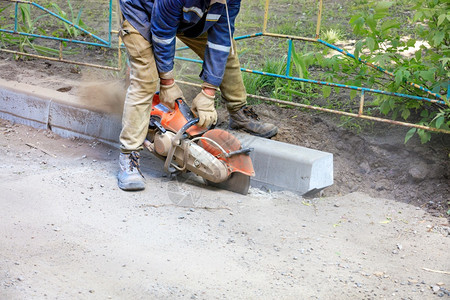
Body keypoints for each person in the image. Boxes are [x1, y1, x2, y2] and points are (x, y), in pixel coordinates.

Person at [118, 0, 278, 191]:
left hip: (187, 16)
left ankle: (238, 113)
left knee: (226, 53)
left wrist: (208, 92)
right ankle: (129, 155)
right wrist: (167, 83)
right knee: (147, 77)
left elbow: (221, 39)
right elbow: (161, 33)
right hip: (141, 11)